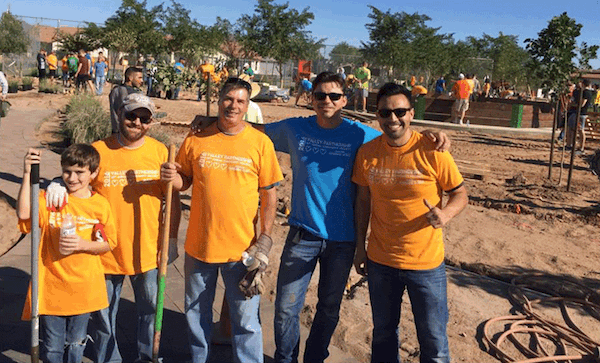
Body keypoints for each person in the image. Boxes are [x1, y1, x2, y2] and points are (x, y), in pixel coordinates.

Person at [191, 71, 450, 363]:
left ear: (344, 100)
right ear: (311, 99)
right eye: (320, 95)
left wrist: (433, 135)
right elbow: (251, 128)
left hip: (343, 240)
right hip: (302, 235)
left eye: (334, 96)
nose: (327, 100)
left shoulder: (360, 134)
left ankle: (314, 358)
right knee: (286, 308)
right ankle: (285, 358)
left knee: (328, 308)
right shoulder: (294, 129)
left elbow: (399, 133)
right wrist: (212, 120)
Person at [46, 93, 181, 363]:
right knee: (104, 315)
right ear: (119, 113)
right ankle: (109, 359)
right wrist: (56, 183)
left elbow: (173, 199)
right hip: (103, 250)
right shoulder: (98, 150)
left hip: (147, 249)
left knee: (150, 310)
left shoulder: (160, 152)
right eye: (131, 115)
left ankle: (146, 356)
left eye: (144, 118)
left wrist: (173, 240)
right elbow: (76, 177)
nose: (136, 122)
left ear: (150, 122)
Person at [161, 77, 283, 363]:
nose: (233, 105)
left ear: (247, 105)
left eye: (241, 101)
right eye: (229, 99)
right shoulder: (196, 137)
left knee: (246, 321)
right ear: (219, 99)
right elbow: (184, 181)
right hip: (200, 247)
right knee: (195, 314)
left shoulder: (260, 143)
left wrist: (264, 239)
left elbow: (270, 196)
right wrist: (172, 177)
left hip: (241, 250)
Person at [353, 82, 468, 363]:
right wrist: (360, 248)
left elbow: (460, 193)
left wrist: (446, 214)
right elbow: (363, 203)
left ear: (411, 113)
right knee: (383, 334)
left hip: (425, 264)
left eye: (400, 111)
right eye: (385, 113)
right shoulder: (367, 153)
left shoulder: (433, 151)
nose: (393, 118)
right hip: (381, 261)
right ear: (377, 115)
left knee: (434, 341)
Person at [17, 144, 118, 363]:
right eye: (67, 171)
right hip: (52, 288)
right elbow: (25, 212)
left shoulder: (100, 205)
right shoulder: (53, 199)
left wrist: (83, 244)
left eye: (80, 172)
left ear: (93, 173)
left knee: (76, 343)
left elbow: (109, 243)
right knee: (52, 347)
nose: (72, 178)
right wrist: (27, 174)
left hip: (84, 289)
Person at [109, 67, 143, 134]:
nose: (142, 81)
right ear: (130, 78)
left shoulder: (117, 90)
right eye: (139, 78)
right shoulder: (125, 92)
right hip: (124, 132)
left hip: (119, 131)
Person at [566, 79, 594, 154]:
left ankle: (581, 148)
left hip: (581, 113)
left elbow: (582, 104)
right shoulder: (579, 92)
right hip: (575, 112)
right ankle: (569, 145)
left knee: (580, 130)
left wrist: (573, 104)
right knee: (571, 128)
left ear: (583, 84)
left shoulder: (587, 93)